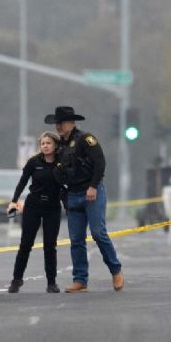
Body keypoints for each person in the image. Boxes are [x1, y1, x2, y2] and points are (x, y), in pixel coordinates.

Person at [45, 106, 124, 293]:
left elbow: (100, 162)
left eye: (61, 122)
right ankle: (80, 280)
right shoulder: (59, 146)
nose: (58, 126)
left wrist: (93, 186)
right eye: (57, 123)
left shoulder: (85, 139)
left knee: (98, 233)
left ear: (72, 123)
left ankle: (115, 270)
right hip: (72, 194)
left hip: (91, 192)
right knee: (76, 239)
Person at [7, 131, 64, 294]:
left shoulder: (61, 163)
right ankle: (16, 280)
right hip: (33, 205)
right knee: (26, 243)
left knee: (50, 245)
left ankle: (51, 283)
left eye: (49, 143)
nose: (45, 146)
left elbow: (68, 181)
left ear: (55, 145)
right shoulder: (33, 162)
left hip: (52, 206)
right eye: (43, 143)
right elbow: (22, 182)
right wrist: (14, 200)